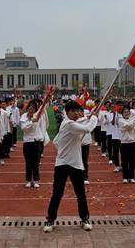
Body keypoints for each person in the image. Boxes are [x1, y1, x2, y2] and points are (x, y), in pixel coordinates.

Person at [43, 100, 97, 233]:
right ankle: (50, 219)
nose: (76, 113)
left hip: (76, 163)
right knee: (57, 193)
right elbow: (88, 128)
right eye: (73, 111)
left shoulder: (72, 123)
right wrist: (95, 116)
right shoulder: (67, 124)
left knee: (81, 194)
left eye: (77, 111)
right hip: (62, 163)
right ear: (67, 113)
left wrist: (87, 117)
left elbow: (81, 123)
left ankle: (84, 218)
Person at [20, 100, 42, 188]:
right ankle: (29, 180)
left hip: (36, 141)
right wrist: (32, 121)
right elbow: (24, 128)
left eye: (33, 108)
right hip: (27, 141)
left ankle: (36, 180)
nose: (31, 109)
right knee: (28, 162)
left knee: (36, 162)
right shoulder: (23, 117)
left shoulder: (37, 116)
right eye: (29, 108)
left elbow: (42, 109)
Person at [118, 106, 135, 183]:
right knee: (125, 160)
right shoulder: (120, 120)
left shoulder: (132, 119)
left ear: (130, 113)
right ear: (122, 113)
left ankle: (132, 177)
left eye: (127, 112)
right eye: (125, 112)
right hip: (124, 143)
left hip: (133, 142)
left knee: (132, 160)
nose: (126, 113)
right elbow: (128, 126)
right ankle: (125, 177)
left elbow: (132, 123)